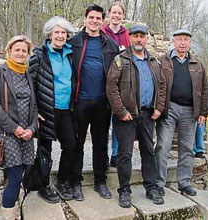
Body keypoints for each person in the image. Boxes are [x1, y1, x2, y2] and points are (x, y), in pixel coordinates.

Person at [107, 24, 166, 208]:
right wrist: (121, 111)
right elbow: (111, 88)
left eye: (142, 36)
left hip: (148, 115)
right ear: (130, 38)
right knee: (124, 154)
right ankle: (124, 190)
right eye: (135, 36)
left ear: (146, 38)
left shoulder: (154, 62)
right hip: (126, 116)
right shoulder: (120, 60)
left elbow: (162, 86)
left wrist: (159, 108)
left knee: (148, 151)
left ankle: (151, 186)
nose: (138, 39)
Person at [69, 4, 120, 201]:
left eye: (98, 18)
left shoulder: (110, 46)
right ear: (85, 19)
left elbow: (118, 75)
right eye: (91, 17)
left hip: (102, 103)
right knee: (77, 144)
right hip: (80, 101)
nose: (94, 21)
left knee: (100, 145)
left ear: (102, 21)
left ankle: (100, 181)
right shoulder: (74, 42)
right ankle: (75, 182)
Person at [0, 36, 37, 219]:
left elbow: (34, 105)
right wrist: (15, 129)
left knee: (21, 176)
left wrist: (31, 128)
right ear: (9, 51)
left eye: (24, 51)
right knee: (14, 178)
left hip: (26, 135)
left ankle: (15, 212)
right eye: (17, 50)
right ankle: (8, 216)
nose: (21, 53)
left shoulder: (28, 75)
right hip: (8, 135)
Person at [28, 16, 77, 203]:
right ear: (50, 34)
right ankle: (43, 185)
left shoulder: (71, 53)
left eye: (63, 32)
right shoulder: (40, 54)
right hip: (46, 109)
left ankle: (62, 181)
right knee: (44, 149)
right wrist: (34, 110)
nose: (60, 35)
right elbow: (30, 83)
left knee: (70, 146)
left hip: (66, 109)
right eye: (56, 32)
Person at [155, 29, 208, 197]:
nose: (183, 43)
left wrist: (202, 112)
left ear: (190, 43)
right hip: (169, 108)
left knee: (187, 148)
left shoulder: (197, 64)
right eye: (180, 40)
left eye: (186, 40)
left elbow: (204, 90)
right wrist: (158, 107)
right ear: (174, 41)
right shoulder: (163, 60)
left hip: (190, 111)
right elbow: (156, 84)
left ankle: (184, 183)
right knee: (163, 146)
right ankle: (158, 182)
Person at [101, 1, 130, 168]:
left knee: (118, 119)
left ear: (123, 16)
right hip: (104, 80)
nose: (117, 16)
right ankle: (103, 154)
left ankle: (116, 154)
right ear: (109, 14)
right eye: (114, 13)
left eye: (120, 13)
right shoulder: (102, 32)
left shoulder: (126, 34)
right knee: (103, 122)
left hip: (121, 82)